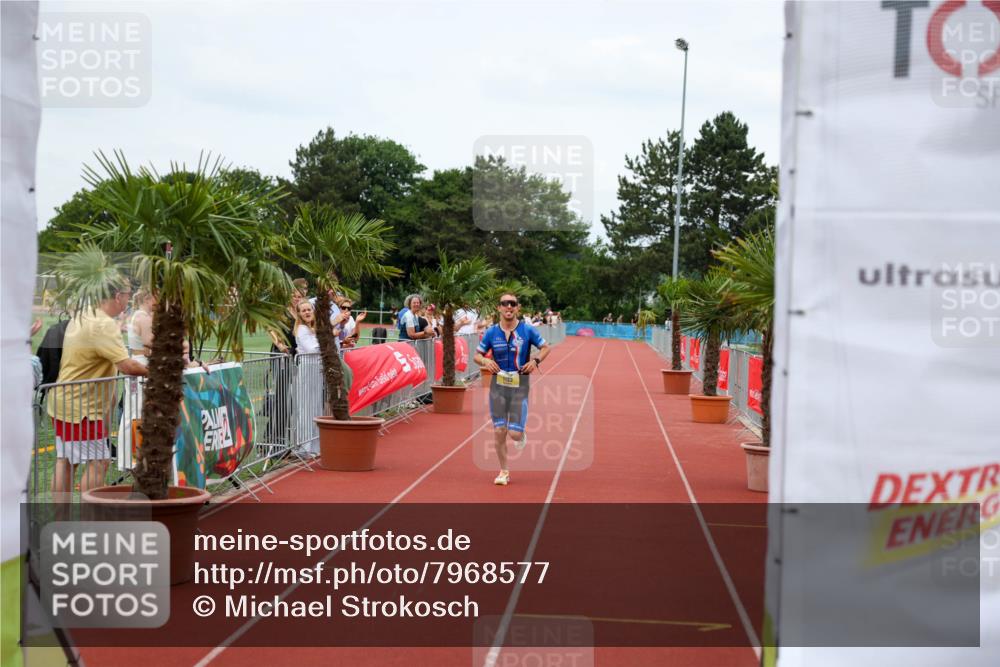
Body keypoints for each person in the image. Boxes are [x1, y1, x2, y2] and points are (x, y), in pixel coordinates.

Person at [47, 280, 148, 495]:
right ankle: (88, 518)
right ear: (118, 296)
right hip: (82, 409)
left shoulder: (85, 313)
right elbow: (128, 365)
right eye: (128, 295)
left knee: (65, 462)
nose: (129, 300)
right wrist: (161, 372)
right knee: (99, 461)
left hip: (64, 402)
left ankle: (60, 521)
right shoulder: (104, 324)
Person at [474, 292, 551, 486]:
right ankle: (504, 471)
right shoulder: (492, 332)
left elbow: (546, 348)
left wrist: (535, 360)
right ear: (499, 308)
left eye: (512, 304)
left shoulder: (527, 331)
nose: (509, 307)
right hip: (498, 386)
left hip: (520, 385)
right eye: (504, 304)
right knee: (499, 430)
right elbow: (477, 355)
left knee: (514, 434)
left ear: (518, 308)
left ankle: (521, 434)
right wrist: (485, 361)